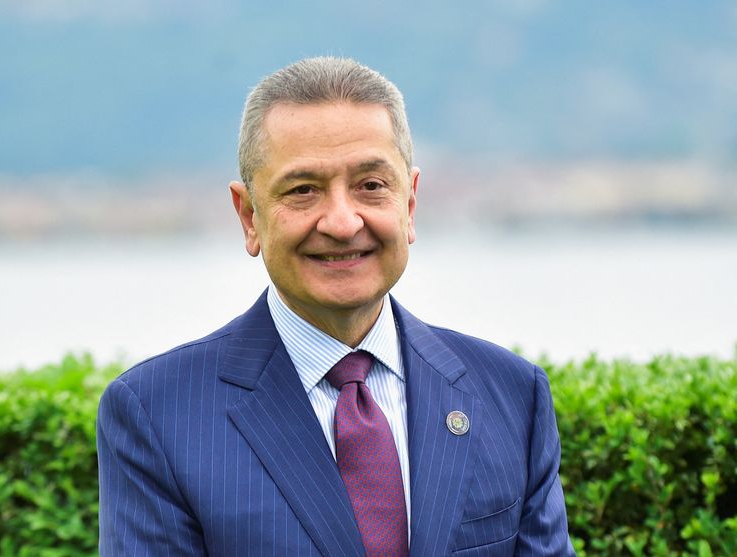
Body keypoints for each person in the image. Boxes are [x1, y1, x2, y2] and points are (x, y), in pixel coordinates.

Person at [97, 56, 576, 557]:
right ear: (249, 217)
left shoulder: (512, 395)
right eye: (303, 190)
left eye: (371, 185)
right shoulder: (157, 413)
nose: (343, 222)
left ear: (409, 204)